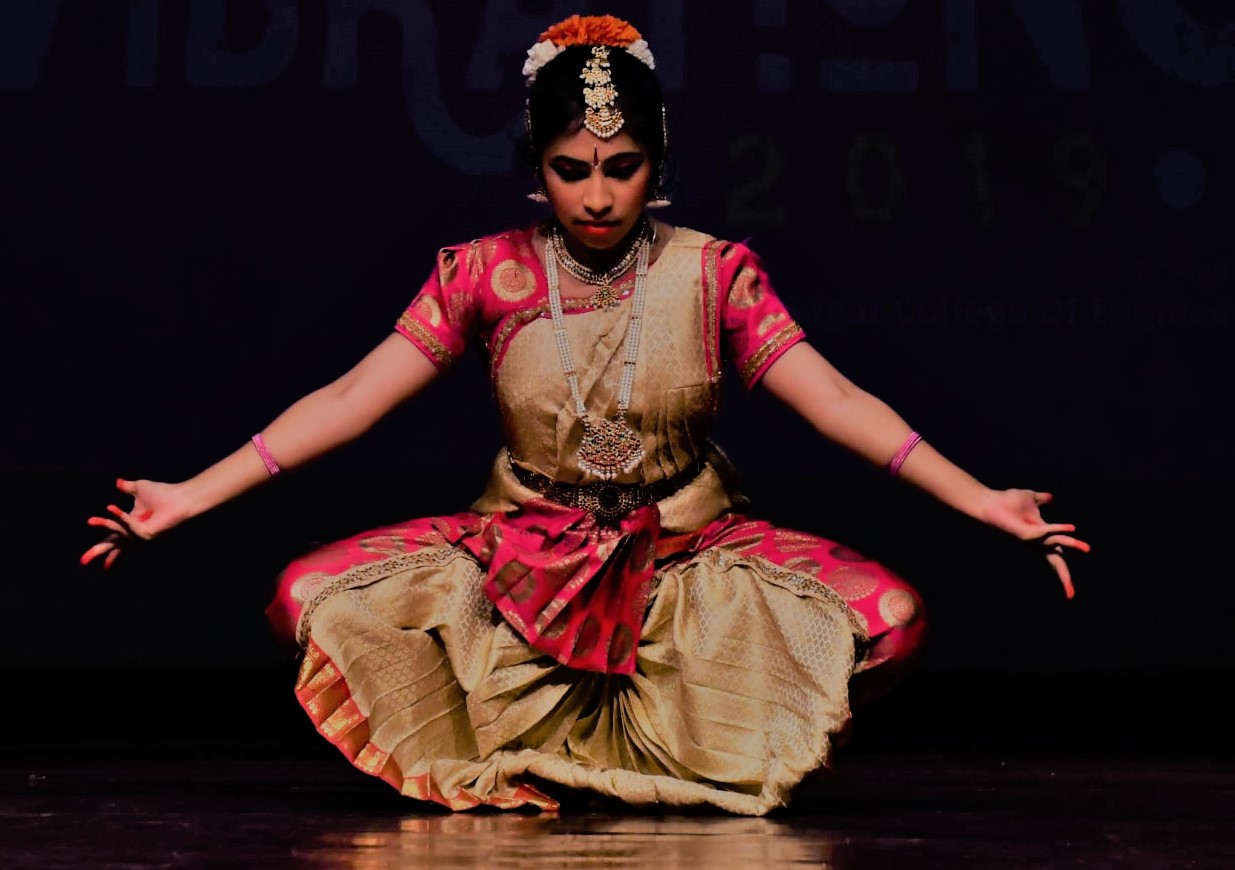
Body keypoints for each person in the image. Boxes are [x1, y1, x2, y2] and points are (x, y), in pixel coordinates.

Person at [81, 14, 1088, 816]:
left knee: (889, 625)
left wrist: (982, 501)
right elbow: (349, 399)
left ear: (658, 164)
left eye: (621, 167)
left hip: (685, 563)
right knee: (306, 599)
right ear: (535, 166)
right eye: (571, 169)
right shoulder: (483, 274)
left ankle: (704, 746)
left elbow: (831, 400)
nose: (597, 196)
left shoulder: (711, 274)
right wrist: (188, 495)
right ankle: (538, 747)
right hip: (520, 562)